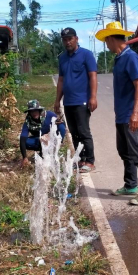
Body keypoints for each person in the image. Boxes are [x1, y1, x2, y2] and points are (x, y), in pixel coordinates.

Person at [95, 22, 138, 206]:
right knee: (125, 151)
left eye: (106, 41)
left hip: (131, 115)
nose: (106, 45)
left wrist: (135, 113)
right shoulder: (119, 58)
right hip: (121, 115)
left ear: (112, 39)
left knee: (136, 153)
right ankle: (130, 185)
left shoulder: (131, 58)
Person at [54, 27, 98, 172]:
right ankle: (80, 160)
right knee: (74, 133)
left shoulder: (86, 55)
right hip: (68, 102)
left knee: (84, 132)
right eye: (65, 40)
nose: (67, 42)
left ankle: (90, 161)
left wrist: (93, 97)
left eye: (70, 39)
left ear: (76, 38)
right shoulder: (62, 58)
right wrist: (57, 101)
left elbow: (93, 76)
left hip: (82, 101)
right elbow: (61, 80)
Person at [20, 99, 66, 167]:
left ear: (39, 110)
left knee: (61, 127)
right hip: (39, 139)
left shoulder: (49, 115)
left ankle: (55, 150)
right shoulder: (28, 122)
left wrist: (57, 124)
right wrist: (24, 157)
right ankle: (42, 152)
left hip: (51, 138)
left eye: (35, 110)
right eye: (31, 111)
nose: (34, 113)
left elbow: (62, 124)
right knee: (26, 142)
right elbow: (23, 138)